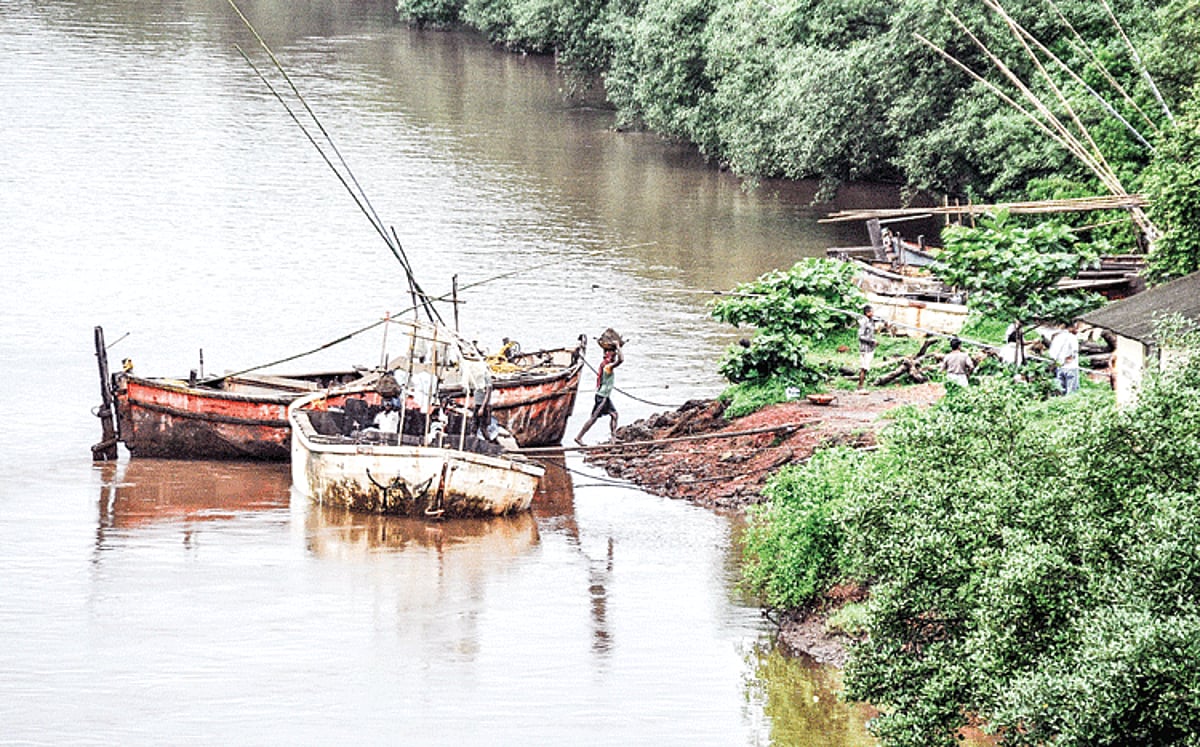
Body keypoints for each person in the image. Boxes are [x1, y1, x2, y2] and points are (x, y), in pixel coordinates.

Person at [575, 338, 624, 446]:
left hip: (604, 396)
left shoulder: (605, 365)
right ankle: (579, 437)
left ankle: (613, 438)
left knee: (614, 415)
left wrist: (616, 348)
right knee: (593, 418)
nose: (615, 355)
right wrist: (618, 346)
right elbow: (621, 360)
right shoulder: (608, 367)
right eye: (613, 353)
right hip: (602, 397)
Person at [1048, 321, 1081, 395]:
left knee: (1060, 391)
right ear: (1071, 327)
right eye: (1076, 328)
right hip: (1071, 367)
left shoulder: (1057, 337)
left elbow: (1051, 353)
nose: (1078, 330)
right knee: (1072, 392)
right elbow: (1074, 352)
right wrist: (1068, 359)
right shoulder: (1072, 337)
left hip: (1060, 367)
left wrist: (1059, 360)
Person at [858, 305, 877, 389]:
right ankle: (860, 386)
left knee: (866, 367)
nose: (873, 313)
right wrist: (872, 341)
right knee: (864, 368)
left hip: (870, 348)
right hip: (865, 348)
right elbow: (861, 336)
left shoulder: (871, 321)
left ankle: (861, 386)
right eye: (871, 312)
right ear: (867, 312)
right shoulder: (864, 322)